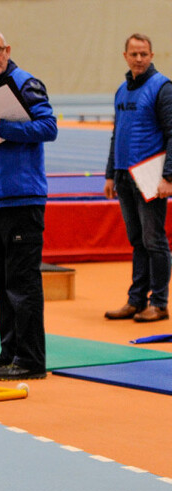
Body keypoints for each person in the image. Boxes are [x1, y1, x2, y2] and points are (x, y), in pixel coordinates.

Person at [0, 25, 57, 381]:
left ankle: (31, 360)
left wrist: (3, 127)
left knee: (22, 284)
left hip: (22, 198)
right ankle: (10, 353)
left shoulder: (26, 84)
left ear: (7, 50)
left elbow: (48, 128)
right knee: (4, 284)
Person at [104, 33, 172, 323]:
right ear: (125, 56)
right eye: (134, 54)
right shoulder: (121, 90)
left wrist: (168, 177)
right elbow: (116, 134)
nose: (139, 59)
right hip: (123, 176)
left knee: (153, 240)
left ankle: (159, 303)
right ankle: (136, 300)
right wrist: (110, 174)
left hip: (149, 177)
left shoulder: (163, 88)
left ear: (152, 56)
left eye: (144, 54)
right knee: (137, 241)